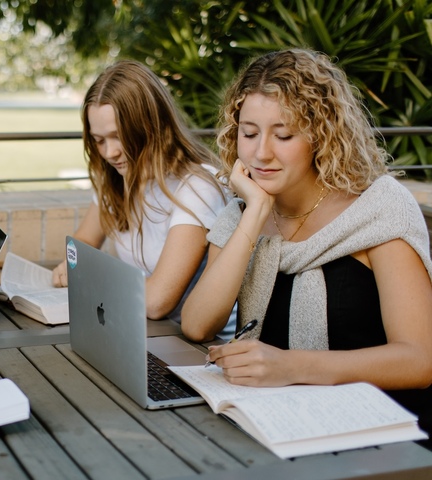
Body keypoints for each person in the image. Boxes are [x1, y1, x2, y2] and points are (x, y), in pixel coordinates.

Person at [180, 49, 432, 439]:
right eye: (248, 133)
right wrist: (256, 213)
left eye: (283, 135)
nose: (261, 152)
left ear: (322, 134)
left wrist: (292, 367)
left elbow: (420, 359)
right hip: (279, 422)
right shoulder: (243, 212)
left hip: (385, 429)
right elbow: (197, 325)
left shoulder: (379, 209)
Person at [51, 60, 227, 321]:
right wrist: (71, 264)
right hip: (136, 327)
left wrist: (88, 275)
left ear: (151, 125)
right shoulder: (116, 177)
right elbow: (84, 242)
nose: (110, 153)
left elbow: (157, 302)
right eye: (99, 140)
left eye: (119, 136)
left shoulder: (198, 187)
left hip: (191, 347)